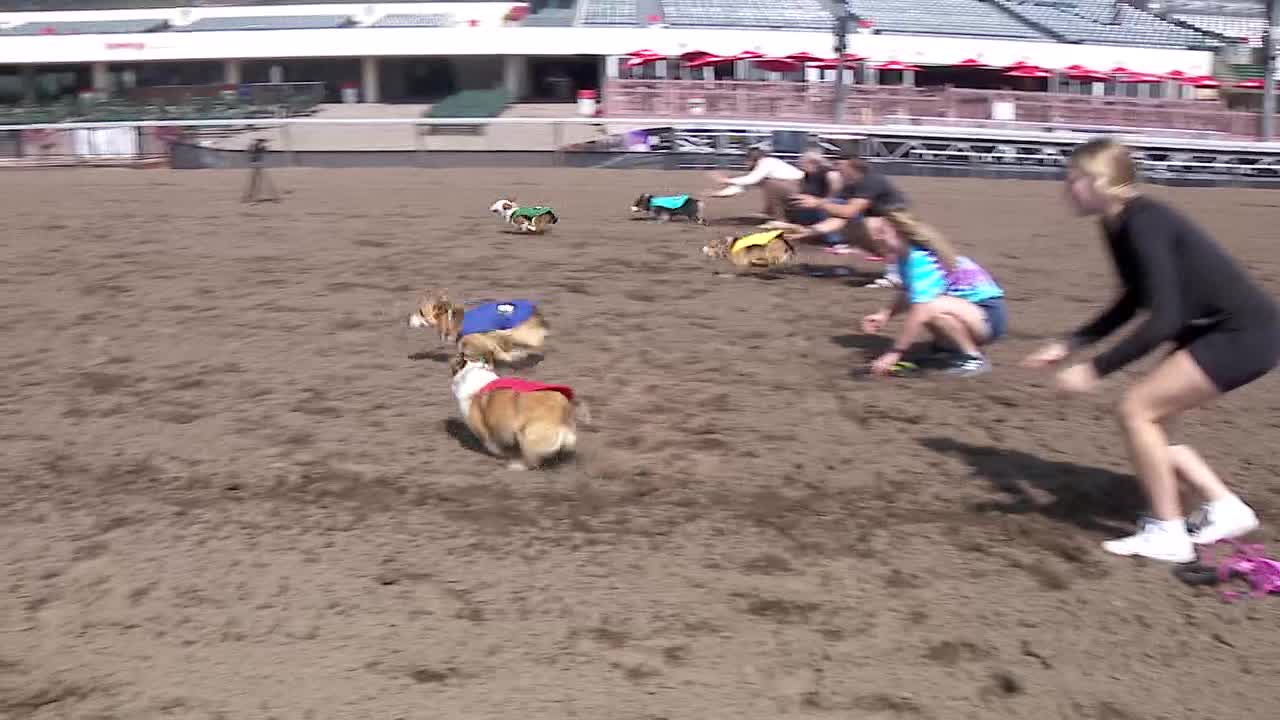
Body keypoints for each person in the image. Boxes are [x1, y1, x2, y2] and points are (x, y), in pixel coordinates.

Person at [1022, 137, 1279, 563]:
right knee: (1152, 424)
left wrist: (1095, 369)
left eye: (1073, 178)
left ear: (1100, 181)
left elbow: (1164, 318)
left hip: (1244, 333)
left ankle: (1168, 533)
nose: (1066, 187)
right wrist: (1073, 343)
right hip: (1215, 330)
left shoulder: (1144, 221)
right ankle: (1225, 508)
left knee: (1136, 411)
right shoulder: (1116, 223)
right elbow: (1133, 300)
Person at [860, 209, 1007, 377]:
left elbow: (921, 309)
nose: (876, 237)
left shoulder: (920, 259)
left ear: (900, 233)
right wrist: (885, 314)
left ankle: (973, 358)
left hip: (988, 316)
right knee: (925, 304)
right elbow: (908, 292)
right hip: (968, 311)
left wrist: (895, 352)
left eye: (882, 232)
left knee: (927, 306)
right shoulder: (904, 258)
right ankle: (948, 351)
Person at [791, 152, 909, 282]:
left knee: (873, 225)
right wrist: (809, 231)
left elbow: (849, 212)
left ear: (851, 166)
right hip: (886, 227)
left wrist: (819, 203)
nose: (834, 169)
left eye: (838, 164)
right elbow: (840, 218)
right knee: (853, 226)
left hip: (899, 227)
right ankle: (895, 271)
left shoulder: (871, 181)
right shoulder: (850, 186)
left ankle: (897, 274)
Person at [704, 148, 804, 221]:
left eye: (747, 161)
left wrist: (725, 180)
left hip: (801, 187)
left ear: (752, 160)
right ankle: (773, 214)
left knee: (771, 184)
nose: (746, 164)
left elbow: (751, 179)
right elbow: (741, 187)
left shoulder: (767, 162)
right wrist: (716, 194)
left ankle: (780, 219)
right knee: (770, 184)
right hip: (797, 190)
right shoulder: (764, 170)